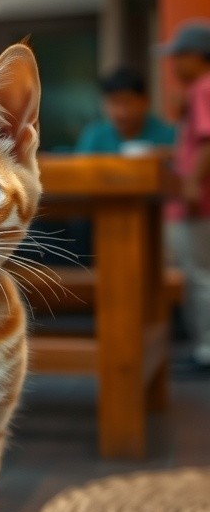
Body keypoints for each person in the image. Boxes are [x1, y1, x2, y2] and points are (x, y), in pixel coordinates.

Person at [163, 20, 210, 371]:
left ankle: (206, 351)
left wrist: (192, 184)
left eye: (178, 56)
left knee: (200, 276)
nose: (174, 64)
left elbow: (208, 140)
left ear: (197, 55)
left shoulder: (203, 87)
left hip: (199, 202)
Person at [75, 66, 176, 154]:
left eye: (128, 102)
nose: (122, 112)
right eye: (115, 103)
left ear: (145, 102)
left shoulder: (169, 137)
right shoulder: (94, 138)